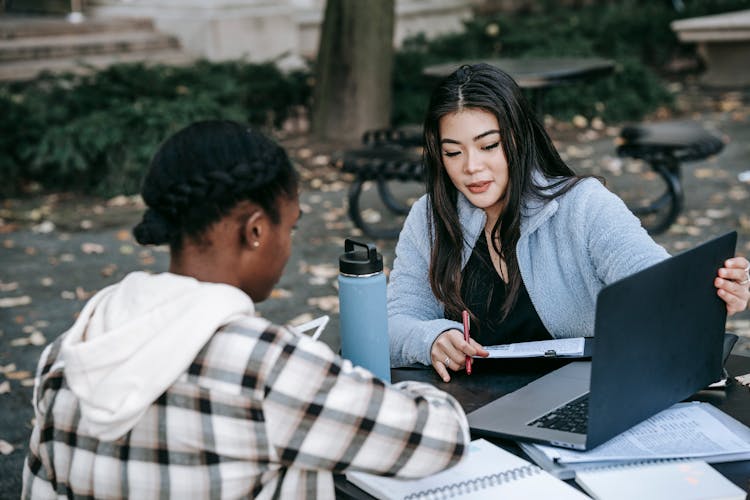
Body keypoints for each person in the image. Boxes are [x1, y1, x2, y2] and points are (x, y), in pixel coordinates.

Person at [22, 120, 470, 498]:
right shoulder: (266, 368)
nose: (288, 246)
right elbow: (440, 437)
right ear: (256, 230)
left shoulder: (67, 353)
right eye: (289, 227)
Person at [388, 63, 750, 382]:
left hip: (581, 402)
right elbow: (391, 326)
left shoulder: (584, 206)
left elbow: (656, 286)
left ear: (518, 138)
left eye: (489, 146)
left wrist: (710, 297)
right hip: (472, 414)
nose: (471, 167)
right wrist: (431, 339)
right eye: (453, 152)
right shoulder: (430, 218)